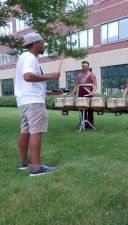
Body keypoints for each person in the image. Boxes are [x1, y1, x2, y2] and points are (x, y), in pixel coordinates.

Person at [15, 32, 62, 176]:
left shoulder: (23, 58)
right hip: (33, 102)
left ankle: (24, 162)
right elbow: (28, 77)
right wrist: (50, 76)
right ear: (35, 43)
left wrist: (50, 92)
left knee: (25, 131)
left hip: (24, 101)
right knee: (36, 131)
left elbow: (29, 82)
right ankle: (37, 168)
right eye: (42, 42)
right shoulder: (30, 58)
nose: (44, 45)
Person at [69, 60, 97, 128]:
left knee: (90, 108)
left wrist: (93, 92)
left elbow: (95, 85)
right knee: (81, 108)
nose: (83, 67)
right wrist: (72, 93)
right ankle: (83, 122)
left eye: (85, 65)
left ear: (88, 66)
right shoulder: (79, 75)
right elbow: (76, 85)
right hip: (81, 92)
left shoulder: (92, 75)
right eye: (82, 66)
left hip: (89, 92)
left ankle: (90, 124)